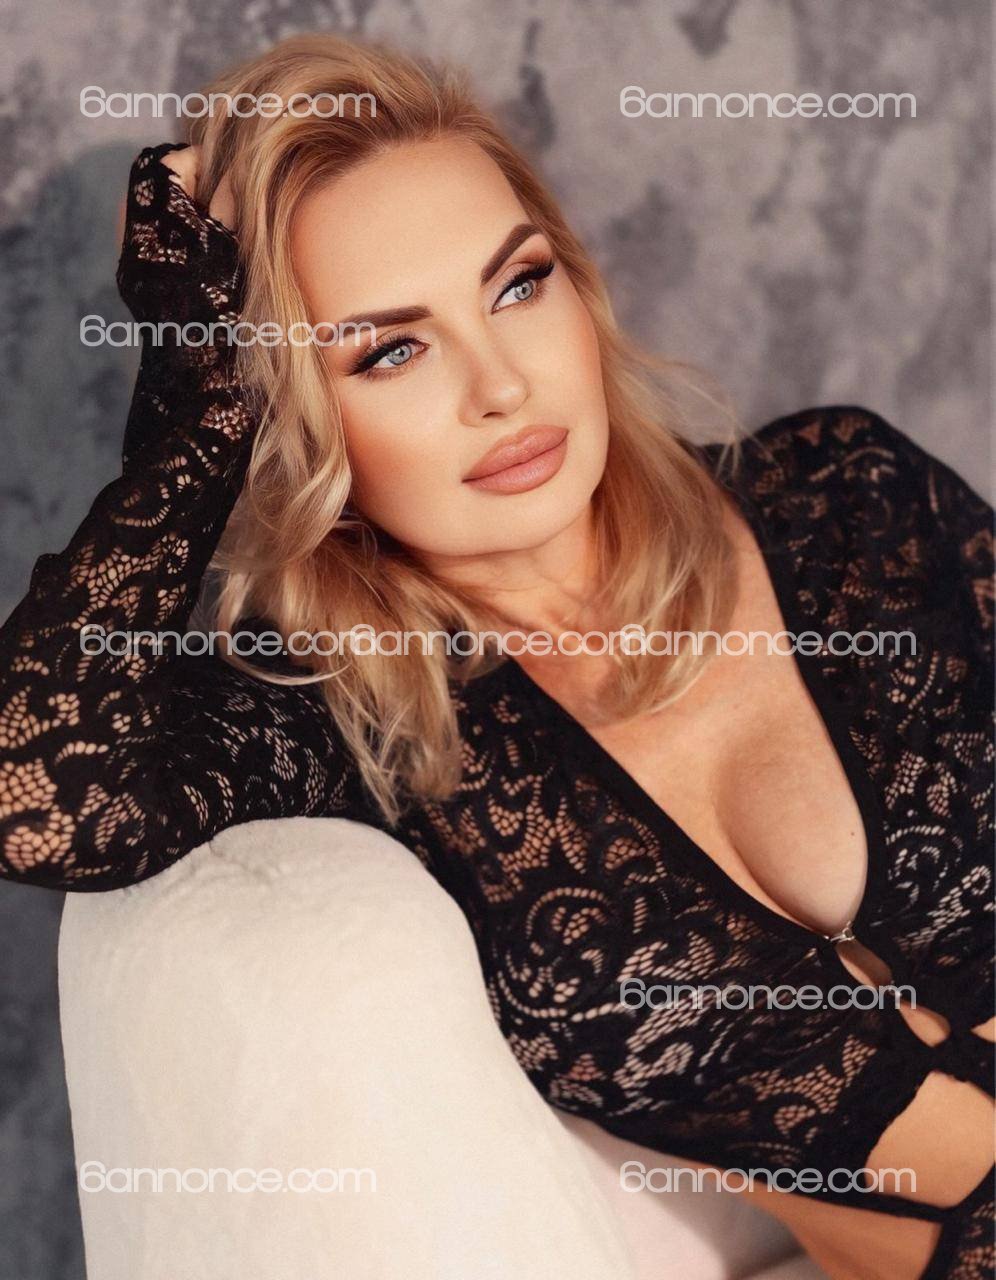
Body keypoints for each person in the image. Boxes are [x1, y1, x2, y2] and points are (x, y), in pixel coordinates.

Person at [0, 33, 992, 1280]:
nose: (502, 386)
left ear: (578, 285)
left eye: (518, 286)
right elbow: (36, 796)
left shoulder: (846, 500)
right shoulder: (337, 720)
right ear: (289, 410)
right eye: (390, 350)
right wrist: (196, 417)